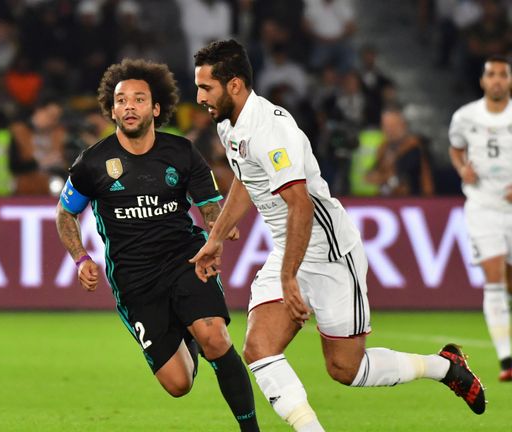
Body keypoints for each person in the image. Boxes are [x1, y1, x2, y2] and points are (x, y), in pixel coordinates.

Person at [190, 39, 486, 431]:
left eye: (206, 87)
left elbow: (301, 205)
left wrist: (288, 277)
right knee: (259, 348)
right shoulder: (230, 125)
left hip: (330, 253)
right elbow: (247, 181)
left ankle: (443, 366)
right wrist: (215, 239)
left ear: (235, 86)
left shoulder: (270, 130)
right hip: (290, 248)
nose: (199, 97)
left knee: (346, 368)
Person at [55, 59, 259, 431]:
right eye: (121, 100)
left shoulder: (181, 153)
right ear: (112, 109)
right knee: (178, 384)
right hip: (135, 281)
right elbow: (65, 214)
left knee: (215, 336)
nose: (129, 106)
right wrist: (80, 256)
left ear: (156, 108)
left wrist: (217, 230)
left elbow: (209, 205)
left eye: (138, 99)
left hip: (184, 260)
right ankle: (187, 331)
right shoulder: (93, 163)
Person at [449, 55, 512, 382]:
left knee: (508, 281)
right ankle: (506, 359)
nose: (498, 80)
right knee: (494, 276)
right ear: (484, 81)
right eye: (492, 75)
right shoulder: (465, 116)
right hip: (483, 206)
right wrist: (463, 169)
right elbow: (456, 148)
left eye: (503, 74)